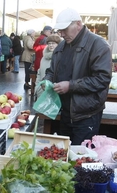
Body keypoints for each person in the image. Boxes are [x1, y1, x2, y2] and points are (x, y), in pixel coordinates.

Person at [42, 8, 112, 145]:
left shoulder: (99, 45)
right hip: (65, 112)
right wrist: (48, 80)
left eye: (65, 29)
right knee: (63, 154)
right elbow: (51, 71)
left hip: (86, 115)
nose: (62, 34)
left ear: (78, 24)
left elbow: (102, 79)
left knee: (81, 157)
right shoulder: (61, 46)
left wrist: (70, 85)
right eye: (60, 30)